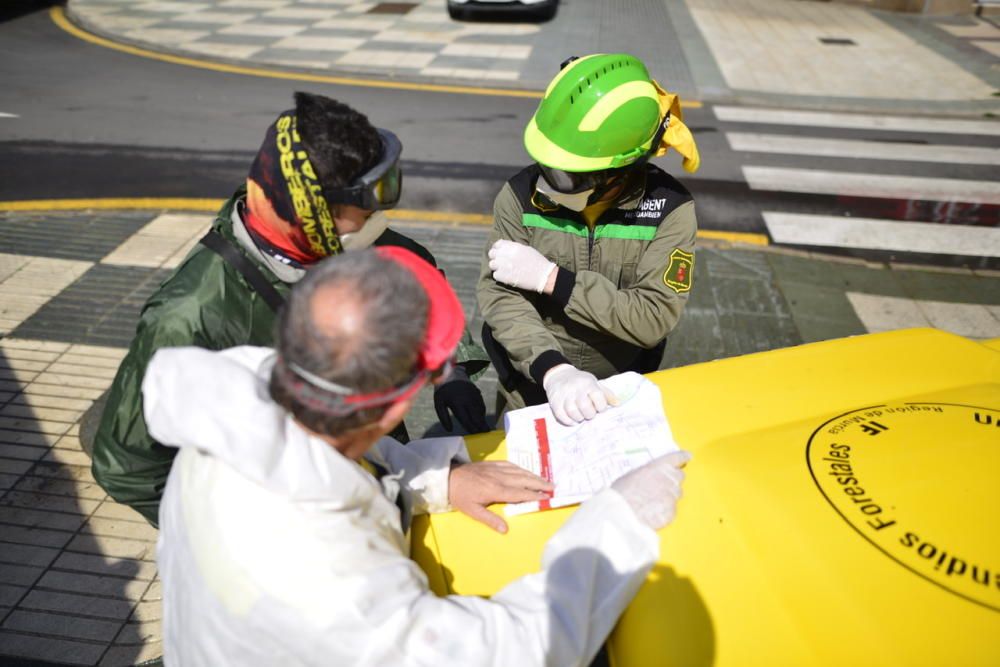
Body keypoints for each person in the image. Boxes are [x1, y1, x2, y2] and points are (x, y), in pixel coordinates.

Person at [144, 247, 691, 666]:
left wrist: (436, 480)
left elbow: (331, 455)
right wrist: (616, 525)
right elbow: (501, 652)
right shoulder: (327, 578)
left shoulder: (249, 403)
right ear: (403, 398)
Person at [90, 92, 490, 527]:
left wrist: (453, 369)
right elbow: (127, 468)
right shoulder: (191, 316)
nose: (379, 215)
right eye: (367, 205)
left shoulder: (338, 241)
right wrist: (241, 539)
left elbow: (413, 279)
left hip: (368, 470)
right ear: (312, 212)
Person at [477, 53, 701, 425]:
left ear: (619, 170)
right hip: (532, 387)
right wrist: (553, 370)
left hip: (617, 393)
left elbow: (652, 317)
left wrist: (555, 280)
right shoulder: (518, 195)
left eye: (566, 174)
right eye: (546, 163)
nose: (547, 182)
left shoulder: (670, 211)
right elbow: (501, 297)